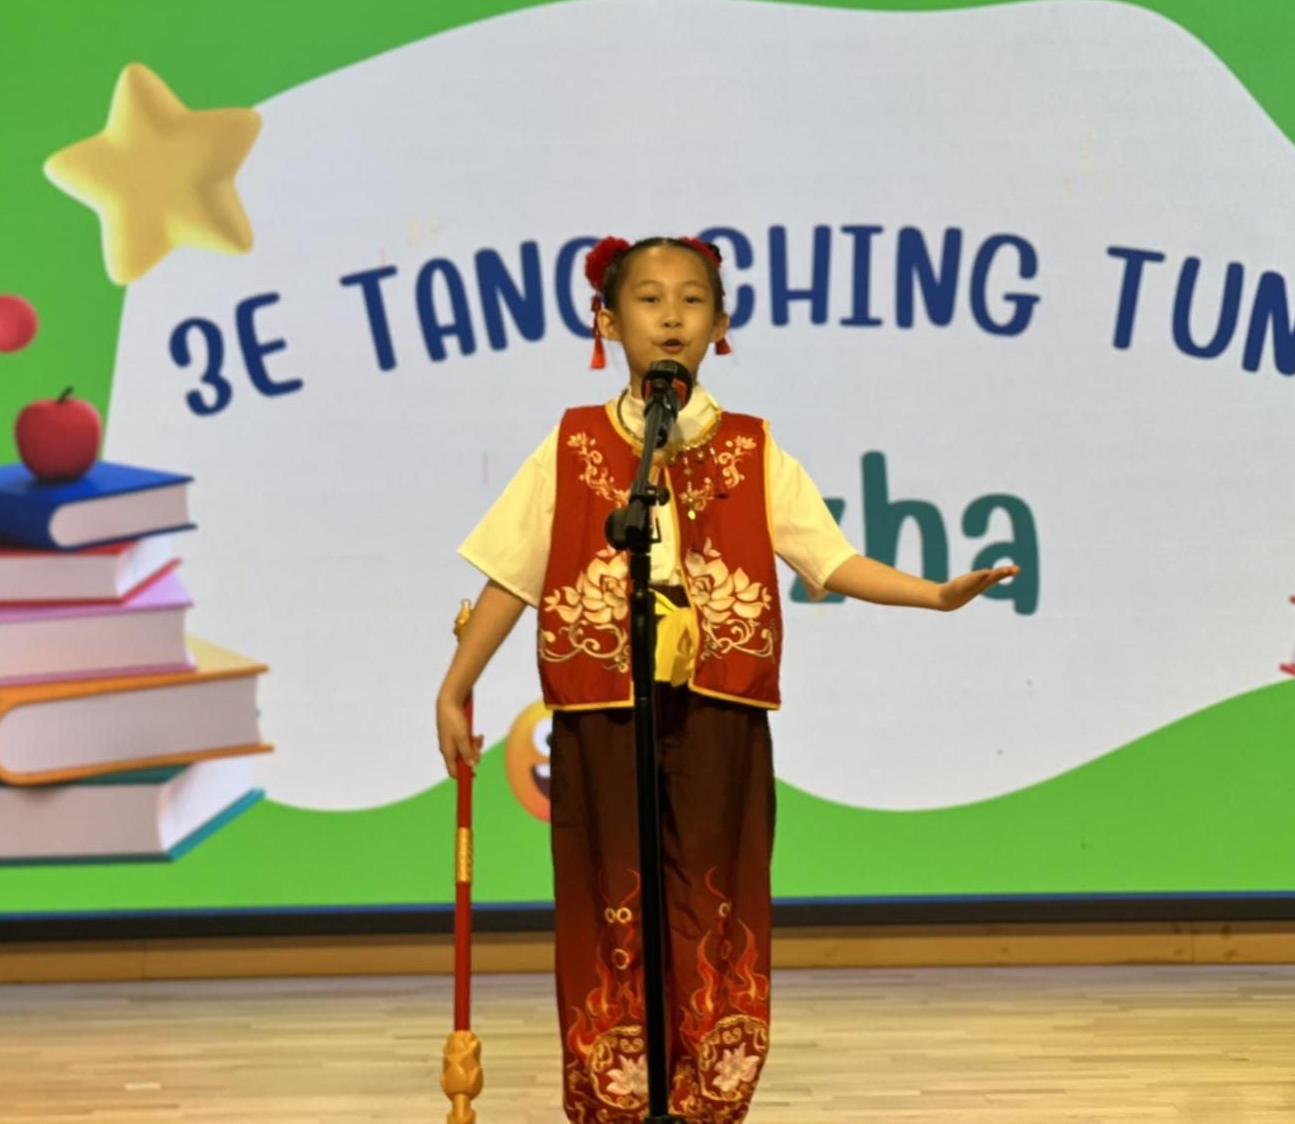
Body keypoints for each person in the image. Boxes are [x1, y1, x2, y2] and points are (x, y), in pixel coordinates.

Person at [434, 235, 1019, 1124]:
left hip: (718, 711)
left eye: (691, 300)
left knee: (716, 904)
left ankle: (707, 1099)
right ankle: (616, 1097)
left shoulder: (752, 447)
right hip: (602, 709)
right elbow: (512, 575)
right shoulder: (573, 443)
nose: (670, 317)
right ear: (606, 320)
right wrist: (453, 687)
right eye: (647, 299)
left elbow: (829, 558)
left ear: (720, 323)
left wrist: (934, 595)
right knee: (606, 903)